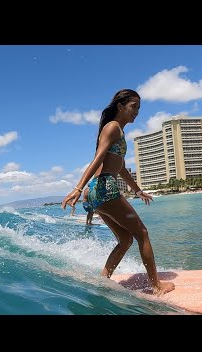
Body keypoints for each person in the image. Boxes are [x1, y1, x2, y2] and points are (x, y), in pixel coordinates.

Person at [61, 89, 175, 296]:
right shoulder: (112, 127)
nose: (137, 112)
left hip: (97, 191)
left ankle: (103, 279)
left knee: (125, 240)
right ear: (120, 106)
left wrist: (138, 190)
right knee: (142, 234)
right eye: (133, 107)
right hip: (105, 187)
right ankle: (156, 286)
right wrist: (77, 188)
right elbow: (97, 158)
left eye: (139, 108)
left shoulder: (119, 132)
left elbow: (121, 168)